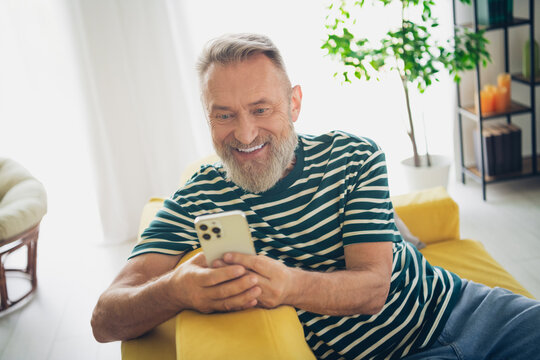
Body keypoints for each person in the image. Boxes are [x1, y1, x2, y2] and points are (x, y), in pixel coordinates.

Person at [91, 33, 540, 359]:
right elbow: (105, 319)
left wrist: (288, 284)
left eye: (261, 109)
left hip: (466, 308)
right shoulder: (195, 199)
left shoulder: (354, 156)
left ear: (295, 104)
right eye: (224, 115)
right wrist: (176, 290)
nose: (244, 133)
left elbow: (371, 287)